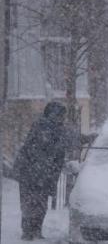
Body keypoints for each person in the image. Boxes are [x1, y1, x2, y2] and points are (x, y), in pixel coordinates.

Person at [12, 101, 80, 241]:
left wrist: (82, 138)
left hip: (41, 174)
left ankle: (35, 231)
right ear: (53, 114)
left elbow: (66, 140)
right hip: (32, 174)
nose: (63, 118)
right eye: (61, 115)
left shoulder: (55, 128)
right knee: (31, 203)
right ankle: (28, 232)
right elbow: (49, 147)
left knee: (39, 204)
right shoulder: (43, 126)